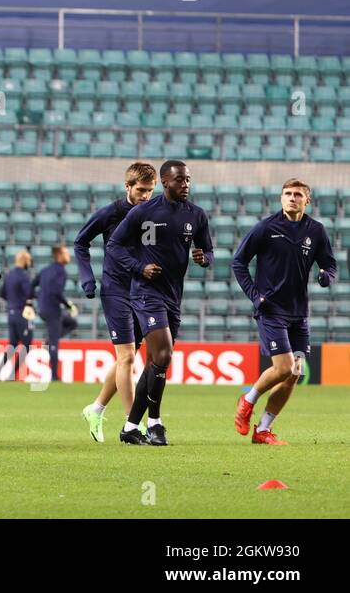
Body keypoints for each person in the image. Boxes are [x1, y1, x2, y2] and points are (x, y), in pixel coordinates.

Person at [107, 160, 213, 446]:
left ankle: (134, 426)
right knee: (163, 356)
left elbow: (208, 249)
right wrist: (139, 268)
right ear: (165, 182)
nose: (185, 185)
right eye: (180, 180)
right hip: (145, 292)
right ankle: (154, 423)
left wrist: (205, 258)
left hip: (173, 296)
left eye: (188, 179)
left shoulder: (197, 215)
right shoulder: (144, 212)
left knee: (157, 361)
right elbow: (114, 246)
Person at [231, 179, 336, 445]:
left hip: (299, 315)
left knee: (295, 374)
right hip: (271, 311)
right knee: (283, 368)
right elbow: (238, 262)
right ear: (281, 199)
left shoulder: (317, 231)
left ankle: (263, 430)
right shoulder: (266, 228)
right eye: (287, 194)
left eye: (298, 194)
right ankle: (248, 399)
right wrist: (256, 296)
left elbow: (330, 265)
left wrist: (326, 276)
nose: (292, 198)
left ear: (307, 200)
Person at [74, 162, 157, 442]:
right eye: (141, 190)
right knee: (128, 358)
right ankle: (133, 424)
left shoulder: (153, 214)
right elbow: (80, 242)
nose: (145, 196)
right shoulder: (111, 213)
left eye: (150, 190)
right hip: (116, 291)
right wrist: (88, 278)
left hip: (144, 292)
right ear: (128, 187)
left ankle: (95, 408)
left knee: (125, 357)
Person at [32, 246, 78, 382]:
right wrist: (68, 305)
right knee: (55, 343)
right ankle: (54, 376)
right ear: (59, 255)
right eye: (66, 253)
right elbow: (56, 293)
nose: (68, 256)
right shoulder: (61, 272)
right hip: (52, 310)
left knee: (72, 322)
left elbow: (31, 286)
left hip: (43, 309)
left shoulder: (45, 270)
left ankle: (48, 341)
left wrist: (39, 297)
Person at [0, 250, 34, 382]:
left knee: (12, 344)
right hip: (22, 314)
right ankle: (12, 374)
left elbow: (2, 293)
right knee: (27, 345)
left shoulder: (9, 275)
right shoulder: (24, 276)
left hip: (11, 313)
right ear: (25, 260)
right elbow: (29, 294)